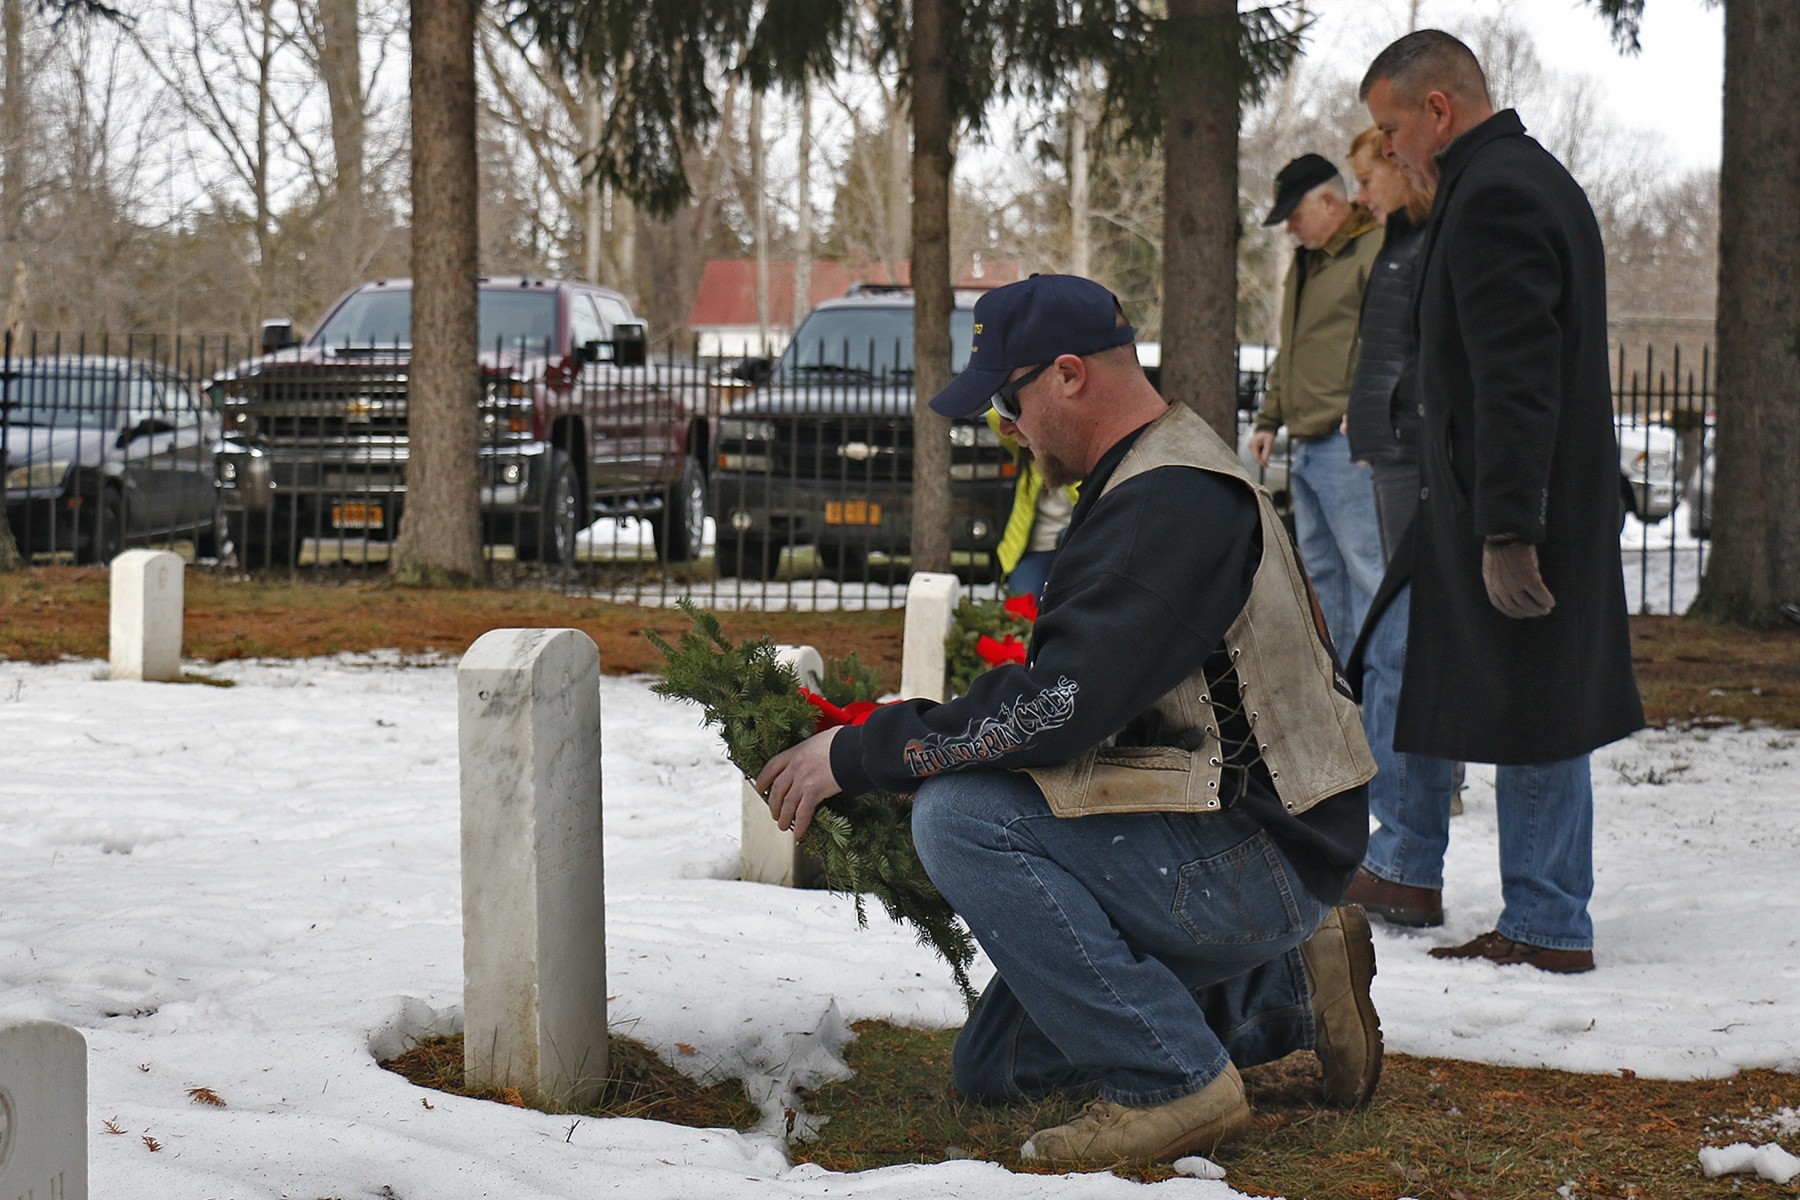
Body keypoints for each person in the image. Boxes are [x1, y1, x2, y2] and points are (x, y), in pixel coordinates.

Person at [756, 274, 1383, 1165]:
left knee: (962, 819)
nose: (1006, 427)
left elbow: (1059, 708)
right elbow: (1090, 696)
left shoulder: (1169, 502)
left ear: (1066, 375)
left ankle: (1177, 1086)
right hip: (1244, 830)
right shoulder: (1152, 468)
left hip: (1262, 848)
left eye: (1009, 403)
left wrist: (867, 753)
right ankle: (1291, 986)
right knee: (997, 1068)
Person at [1349, 31, 1645, 970]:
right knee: (1428, 658)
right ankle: (1412, 870)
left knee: (1536, 696)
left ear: (1438, 111)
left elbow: (1518, 380)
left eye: (1392, 127)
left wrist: (1510, 529)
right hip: (1488, 500)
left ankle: (1548, 921)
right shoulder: (1518, 177)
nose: (1388, 149)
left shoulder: (1498, 194)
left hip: (1517, 507)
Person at [1249, 154, 1387, 658]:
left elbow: (1388, 341)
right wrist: (1270, 418)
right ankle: (1345, 707)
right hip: (1307, 443)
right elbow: (1293, 347)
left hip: (1350, 445)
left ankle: (1383, 717)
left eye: (1295, 214)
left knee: (1369, 576)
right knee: (1324, 582)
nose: (1289, 227)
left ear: (1330, 201)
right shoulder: (1307, 263)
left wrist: (1370, 408)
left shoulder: (1375, 250)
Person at [989, 407, 1078, 599]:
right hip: (1037, 550)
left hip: (1074, 548)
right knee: (1020, 603)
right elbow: (994, 416)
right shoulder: (1026, 452)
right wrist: (1038, 407)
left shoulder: (1079, 454)